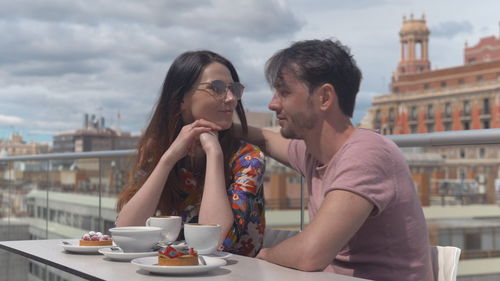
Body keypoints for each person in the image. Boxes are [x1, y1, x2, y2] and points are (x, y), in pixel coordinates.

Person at [239, 39, 433, 280]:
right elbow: (267, 139)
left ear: (324, 97)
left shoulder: (366, 153)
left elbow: (310, 254)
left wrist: (266, 255)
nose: (273, 103)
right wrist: (220, 126)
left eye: (284, 92)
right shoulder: (314, 153)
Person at [116, 50, 266, 257]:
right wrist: (167, 160)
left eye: (234, 89)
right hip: (174, 270)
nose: (231, 98)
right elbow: (126, 230)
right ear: (181, 99)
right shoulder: (158, 150)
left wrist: (214, 153)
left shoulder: (248, 158)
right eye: (218, 88)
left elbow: (216, 240)